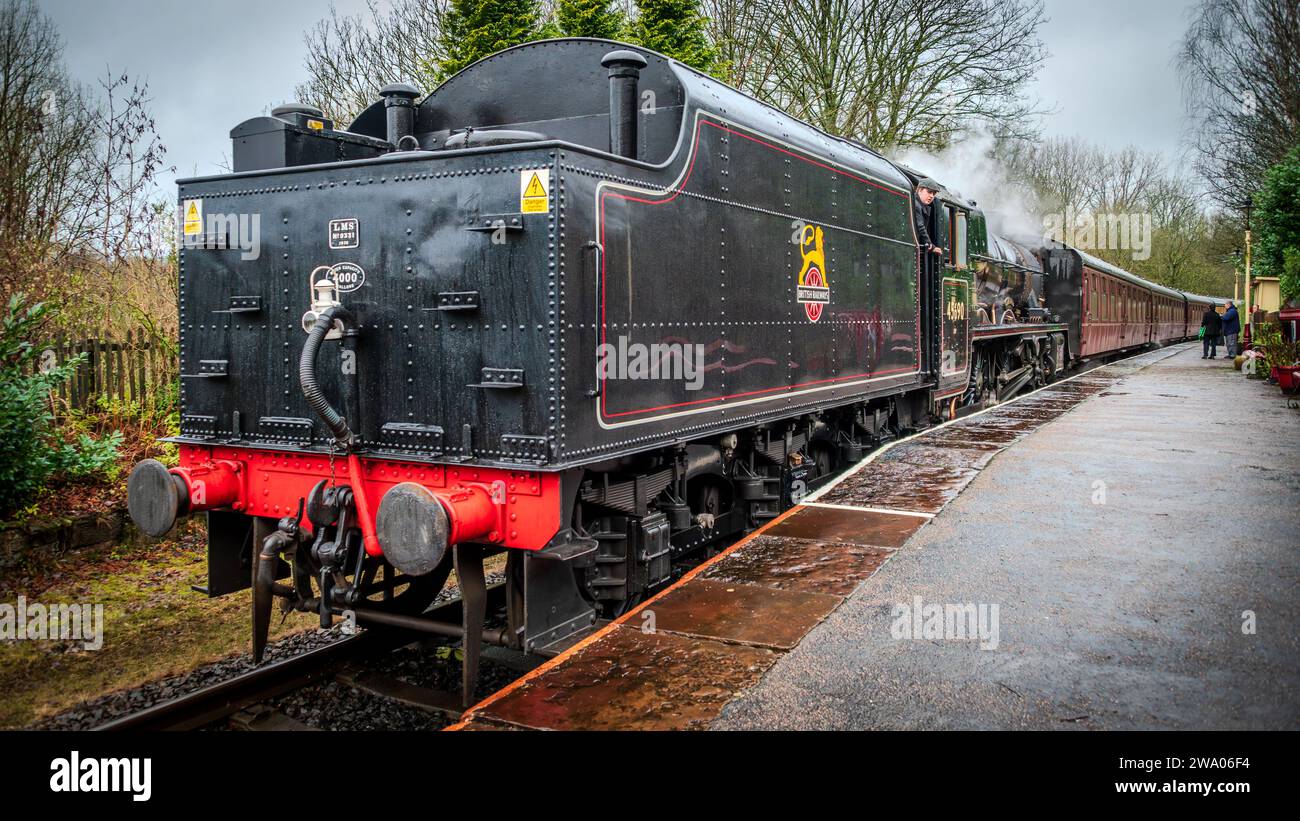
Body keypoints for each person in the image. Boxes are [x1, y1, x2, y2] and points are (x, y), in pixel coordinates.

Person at [913, 178, 945, 259]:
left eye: (934, 194)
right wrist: (930, 245)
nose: (931, 196)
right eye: (929, 192)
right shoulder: (916, 205)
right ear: (920, 190)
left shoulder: (919, 204)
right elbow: (920, 226)